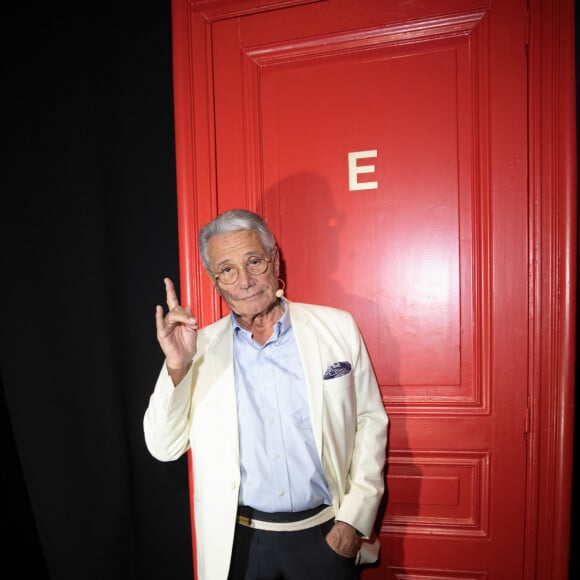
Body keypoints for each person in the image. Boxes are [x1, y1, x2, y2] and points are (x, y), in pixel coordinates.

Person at [144, 209, 388, 580]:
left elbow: (370, 422)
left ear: (274, 261)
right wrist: (177, 365)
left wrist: (352, 524)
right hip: (239, 547)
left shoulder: (337, 328)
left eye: (254, 262)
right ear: (215, 281)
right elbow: (163, 447)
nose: (244, 281)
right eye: (227, 269)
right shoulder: (198, 350)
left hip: (326, 538)